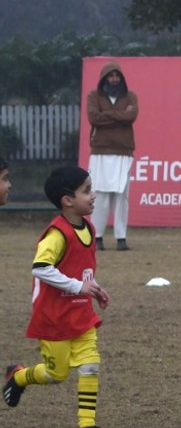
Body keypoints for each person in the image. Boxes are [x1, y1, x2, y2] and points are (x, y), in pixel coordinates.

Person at [3, 166, 111, 428]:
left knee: (90, 365)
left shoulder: (88, 227)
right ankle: (18, 377)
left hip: (81, 313)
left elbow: (80, 271)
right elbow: (40, 269)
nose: (94, 195)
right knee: (56, 374)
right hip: (53, 318)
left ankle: (86, 423)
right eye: (87, 190)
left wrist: (93, 287)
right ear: (67, 201)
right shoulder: (57, 233)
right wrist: (78, 287)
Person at [87, 61, 138, 251]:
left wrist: (107, 115)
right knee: (99, 195)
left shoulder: (130, 96)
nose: (114, 79)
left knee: (121, 196)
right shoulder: (94, 96)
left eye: (117, 76)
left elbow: (131, 117)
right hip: (100, 151)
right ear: (104, 79)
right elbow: (93, 118)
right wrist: (119, 115)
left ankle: (121, 238)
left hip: (123, 152)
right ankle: (97, 237)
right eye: (110, 76)